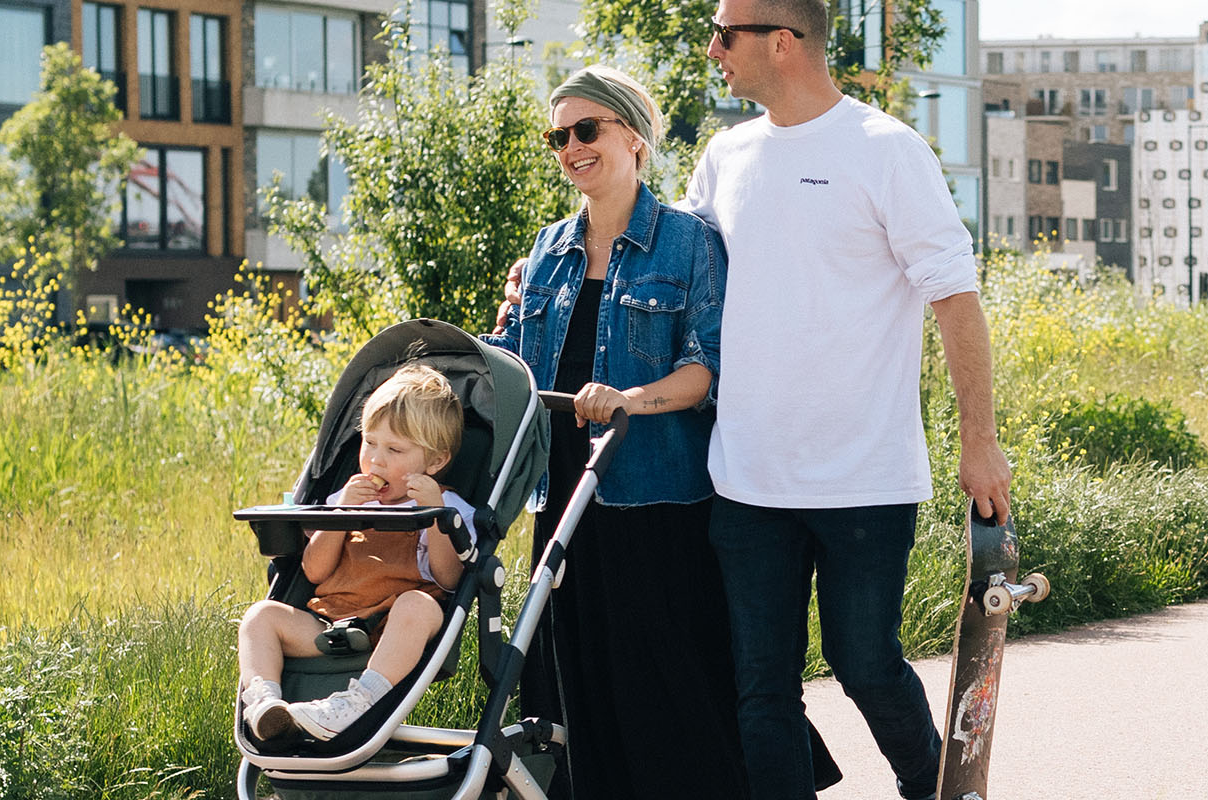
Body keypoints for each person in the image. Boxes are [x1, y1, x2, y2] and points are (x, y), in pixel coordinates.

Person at [499, 2, 1014, 797]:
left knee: (865, 662)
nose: (711, 50)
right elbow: (677, 273)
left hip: (863, 475)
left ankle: (942, 789)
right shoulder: (727, 154)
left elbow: (955, 298)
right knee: (761, 690)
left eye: (724, 34)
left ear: (782, 41)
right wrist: (546, 283)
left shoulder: (886, 150)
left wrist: (977, 440)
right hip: (744, 477)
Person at [481, 65, 749, 800]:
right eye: (558, 135)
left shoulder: (688, 243)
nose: (570, 146)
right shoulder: (546, 251)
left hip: (654, 500)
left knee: (665, 688)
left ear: (633, 136)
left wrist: (629, 398)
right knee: (574, 687)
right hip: (562, 498)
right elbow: (515, 362)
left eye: (586, 129)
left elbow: (706, 366)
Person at [236, 364, 477, 742]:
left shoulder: (447, 506)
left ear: (434, 462)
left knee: (420, 605)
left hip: (391, 629)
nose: (375, 460)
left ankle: (357, 703)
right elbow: (315, 573)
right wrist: (339, 516)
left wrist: (435, 516)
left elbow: (449, 580)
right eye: (369, 443)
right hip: (331, 623)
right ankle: (265, 704)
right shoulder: (346, 499)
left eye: (394, 449)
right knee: (260, 617)